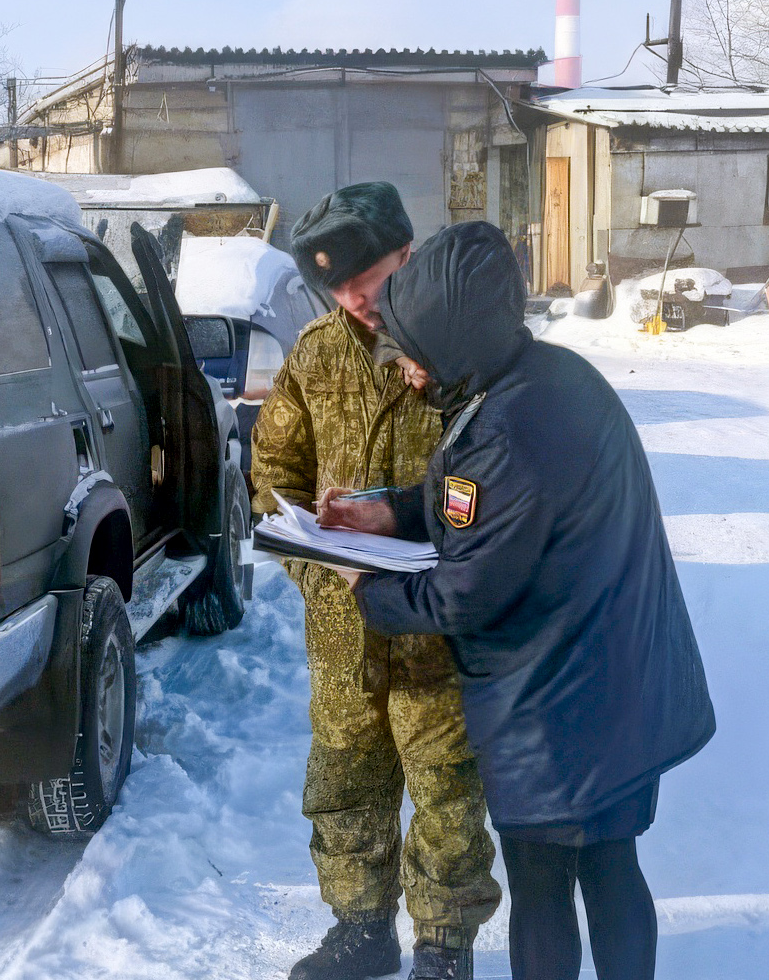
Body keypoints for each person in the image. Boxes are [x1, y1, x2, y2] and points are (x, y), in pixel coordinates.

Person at [320, 221, 716, 980]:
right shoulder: (543, 379)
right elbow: (487, 508)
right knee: (610, 867)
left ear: (454, 340)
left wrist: (368, 586)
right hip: (616, 682)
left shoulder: (505, 429)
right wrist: (391, 512)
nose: (403, 369)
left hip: (556, 705)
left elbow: (463, 593)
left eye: (412, 354)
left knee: (543, 889)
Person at [253, 183, 501, 980]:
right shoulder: (317, 352)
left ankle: (444, 947)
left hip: (438, 625)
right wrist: (308, 560)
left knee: (448, 799)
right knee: (345, 786)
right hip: (343, 624)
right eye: (339, 285)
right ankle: (363, 930)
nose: (356, 298)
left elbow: (504, 473)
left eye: (372, 277)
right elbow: (274, 471)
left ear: (411, 254)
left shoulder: (460, 348)